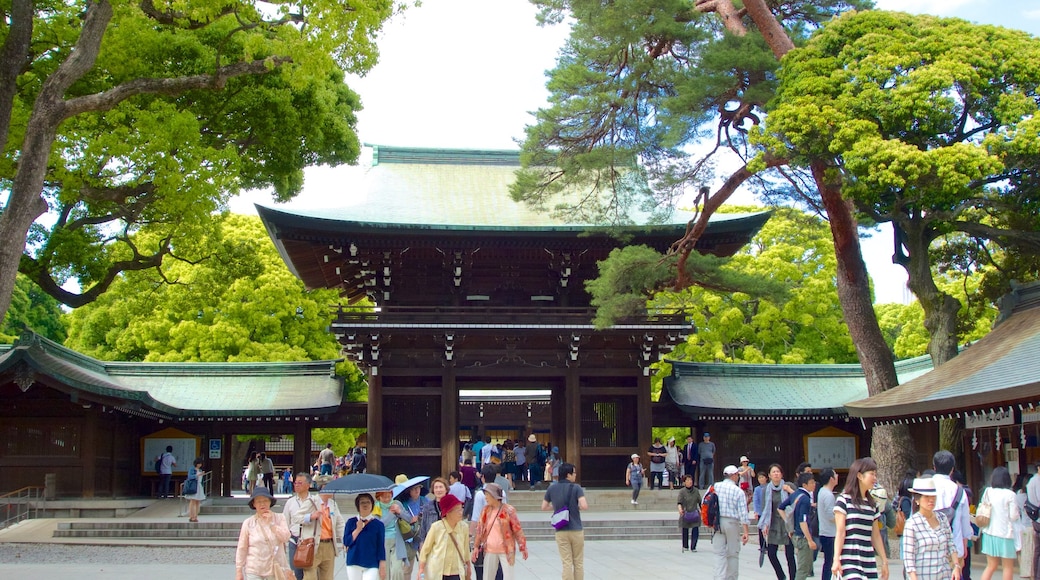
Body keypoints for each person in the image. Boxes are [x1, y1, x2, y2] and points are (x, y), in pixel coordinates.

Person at [832, 457, 889, 580]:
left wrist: (884, 561)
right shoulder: (844, 500)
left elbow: (876, 535)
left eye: (875, 474)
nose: (875, 478)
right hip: (849, 558)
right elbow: (840, 532)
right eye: (871, 474)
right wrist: (836, 559)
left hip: (868, 558)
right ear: (859, 476)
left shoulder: (872, 504)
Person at [902, 477, 961, 580]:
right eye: (926, 496)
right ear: (917, 500)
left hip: (945, 574)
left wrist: (956, 565)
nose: (931, 500)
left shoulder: (942, 518)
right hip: (922, 575)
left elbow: (951, 544)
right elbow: (908, 557)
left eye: (933, 496)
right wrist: (913, 577)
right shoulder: (912, 524)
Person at [471, 482, 528, 580]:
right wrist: (476, 546)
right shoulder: (485, 510)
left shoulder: (508, 510)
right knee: (488, 577)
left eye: (487, 495)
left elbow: (517, 530)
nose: (486, 498)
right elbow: (480, 530)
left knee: (508, 577)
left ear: (494, 496)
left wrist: (523, 547)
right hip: (489, 550)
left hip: (506, 550)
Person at [291, 480, 346, 580]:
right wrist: (310, 516)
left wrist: (344, 540)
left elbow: (340, 523)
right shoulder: (311, 501)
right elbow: (295, 517)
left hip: (329, 545)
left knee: (328, 577)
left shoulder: (333, 504)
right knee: (310, 577)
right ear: (323, 488)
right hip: (312, 545)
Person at [542, 462, 588, 580]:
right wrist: (575, 507)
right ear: (568, 475)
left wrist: (556, 507)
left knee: (566, 562)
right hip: (576, 529)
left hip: (561, 529)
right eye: (574, 473)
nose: (575, 475)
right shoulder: (576, 488)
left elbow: (544, 507)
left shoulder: (552, 488)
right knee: (578, 562)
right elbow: (584, 506)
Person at [235, 486, 292, 580]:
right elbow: (242, 547)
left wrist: (271, 524)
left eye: (265, 501)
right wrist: (239, 570)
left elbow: (285, 537)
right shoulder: (248, 523)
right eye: (259, 501)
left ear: (270, 502)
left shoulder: (280, 518)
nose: (262, 504)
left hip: (275, 567)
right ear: (254, 504)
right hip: (254, 568)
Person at [418, 493, 471, 580]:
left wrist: (468, 568)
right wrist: (421, 569)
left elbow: (466, 551)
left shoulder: (464, 527)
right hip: (438, 572)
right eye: (457, 510)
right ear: (448, 512)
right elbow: (425, 550)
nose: (461, 512)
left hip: (457, 572)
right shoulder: (436, 527)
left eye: (461, 508)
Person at [933, 450, 972, 568]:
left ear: (934, 467)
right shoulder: (959, 491)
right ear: (952, 470)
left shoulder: (925, 487)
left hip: (930, 549)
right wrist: (965, 544)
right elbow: (965, 522)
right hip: (955, 547)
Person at [980, 466, 1020, 580]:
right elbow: (1013, 516)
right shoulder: (1010, 494)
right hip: (1005, 534)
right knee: (1007, 567)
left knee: (991, 566)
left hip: (989, 533)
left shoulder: (988, 491)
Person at [760, 463, 796, 580]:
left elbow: (799, 498)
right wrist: (765, 524)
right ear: (769, 475)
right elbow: (765, 507)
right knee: (771, 553)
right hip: (773, 523)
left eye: (778, 471)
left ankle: (793, 577)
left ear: (781, 474)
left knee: (789, 555)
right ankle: (781, 576)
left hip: (787, 523)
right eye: (773, 472)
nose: (776, 474)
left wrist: (789, 490)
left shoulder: (788, 485)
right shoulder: (766, 489)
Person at [716, 464, 752, 580]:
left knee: (719, 553)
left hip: (717, 522)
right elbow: (743, 513)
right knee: (733, 553)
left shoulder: (716, 486)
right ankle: (731, 578)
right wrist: (746, 532)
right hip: (731, 522)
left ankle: (719, 577)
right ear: (734, 476)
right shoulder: (738, 491)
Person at [780, 471, 817, 580]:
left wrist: (788, 522)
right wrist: (810, 540)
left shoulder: (795, 494)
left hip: (795, 533)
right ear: (804, 485)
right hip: (803, 536)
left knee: (805, 566)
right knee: (803, 568)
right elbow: (803, 521)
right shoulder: (805, 499)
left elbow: (780, 508)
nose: (814, 484)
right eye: (811, 482)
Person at [344, 493, 388, 580]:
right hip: (354, 561)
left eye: (368, 502)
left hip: (371, 563)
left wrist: (382, 564)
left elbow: (380, 546)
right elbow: (346, 541)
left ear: (372, 505)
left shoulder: (378, 525)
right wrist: (357, 529)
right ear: (358, 505)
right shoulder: (351, 522)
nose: (365, 505)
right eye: (362, 502)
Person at [283, 472, 316, 580]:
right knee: (296, 573)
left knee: (310, 573)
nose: (296, 485)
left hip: (310, 541)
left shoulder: (315, 501)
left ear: (308, 485)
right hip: (294, 540)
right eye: (295, 483)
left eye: (300, 483)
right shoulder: (290, 502)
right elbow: (285, 522)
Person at [418, 477, 450, 555]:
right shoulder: (428, 506)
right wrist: (422, 544)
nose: (438, 490)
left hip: (448, 542)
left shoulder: (451, 505)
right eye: (436, 488)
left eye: (441, 487)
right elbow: (423, 527)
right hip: (432, 542)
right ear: (433, 490)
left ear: (446, 489)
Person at [817, 468, 839, 580]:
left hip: (825, 532)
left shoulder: (822, 491)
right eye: (835, 474)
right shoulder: (828, 495)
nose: (837, 476)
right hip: (830, 534)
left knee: (828, 562)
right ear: (831, 478)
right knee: (830, 562)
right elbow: (831, 516)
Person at [677, 473, 702, 552]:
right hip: (685, 512)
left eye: (690, 480)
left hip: (694, 512)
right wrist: (680, 510)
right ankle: (685, 545)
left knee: (695, 529)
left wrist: (703, 511)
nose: (690, 481)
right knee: (685, 529)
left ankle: (693, 546)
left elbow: (700, 502)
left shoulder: (696, 491)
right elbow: (679, 502)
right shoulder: (682, 491)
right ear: (684, 482)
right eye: (687, 480)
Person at [184, 457, 206, 523]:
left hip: (199, 486)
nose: (200, 465)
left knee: (197, 502)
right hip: (194, 485)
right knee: (193, 501)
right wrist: (197, 475)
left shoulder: (200, 470)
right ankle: (191, 516)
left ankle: (195, 516)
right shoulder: (192, 469)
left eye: (201, 464)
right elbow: (190, 477)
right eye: (199, 463)